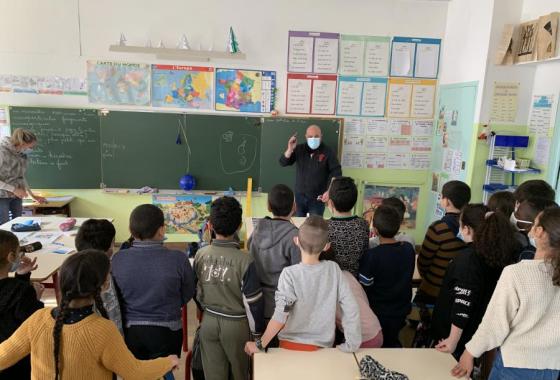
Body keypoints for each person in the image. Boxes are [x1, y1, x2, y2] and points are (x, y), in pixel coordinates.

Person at [0, 250, 178, 379]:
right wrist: (167, 362)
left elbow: (3, 356)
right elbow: (134, 372)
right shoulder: (102, 330)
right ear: (104, 285)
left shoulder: (37, 319)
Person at [452, 208, 560, 379]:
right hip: (553, 367)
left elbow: (495, 324)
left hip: (515, 364)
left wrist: (469, 352)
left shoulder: (516, 273)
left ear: (538, 231)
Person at [244, 216, 361, 354]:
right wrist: (352, 343)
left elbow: (281, 315)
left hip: (289, 346)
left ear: (296, 241)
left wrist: (259, 345)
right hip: (323, 349)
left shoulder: (289, 274)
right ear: (326, 246)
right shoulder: (334, 269)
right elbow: (351, 307)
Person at [431, 205, 521, 359]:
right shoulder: (497, 254)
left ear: (466, 229)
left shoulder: (468, 259)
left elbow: (463, 302)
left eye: (460, 225)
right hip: (476, 330)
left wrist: (452, 340)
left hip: (455, 337)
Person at [112, 204, 194, 361]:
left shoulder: (118, 259)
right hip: (168, 330)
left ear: (130, 230)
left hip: (131, 332)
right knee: (166, 371)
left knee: (136, 371)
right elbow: (188, 292)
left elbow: (115, 296)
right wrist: (173, 303)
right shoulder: (178, 259)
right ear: (162, 230)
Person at [194, 196, 264, 380]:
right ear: (239, 226)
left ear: (210, 226)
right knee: (240, 374)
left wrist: (204, 311)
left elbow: (197, 291)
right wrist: (257, 335)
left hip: (208, 321)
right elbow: (253, 304)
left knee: (214, 375)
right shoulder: (245, 260)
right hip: (237, 326)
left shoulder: (200, 254)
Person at [359, 205, 415, 348]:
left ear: (375, 230)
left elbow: (364, 285)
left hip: (378, 311)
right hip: (401, 310)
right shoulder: (408, 249)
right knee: (392, 340)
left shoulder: (372, 256)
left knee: (380, 344)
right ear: (399, 227)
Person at [248, 184, 300, 332]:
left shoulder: (256, 231)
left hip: (256, 302)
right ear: (294, 207)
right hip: (282, 309)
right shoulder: (295, 237)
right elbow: (298, 275)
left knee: (263, 350)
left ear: (268, 206)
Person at [416, 180, 471, 304]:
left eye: (441, 197)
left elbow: (423, 263)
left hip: (433, 290)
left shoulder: (437, 228)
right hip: (459, 291)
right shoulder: (472, 227)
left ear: (446, 201)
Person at [0, 230, 43, 379]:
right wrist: (36, 300)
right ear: (11, 257)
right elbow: (34, 326)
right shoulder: (22, 291)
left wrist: (22, 276)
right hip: (14, 363)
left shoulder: (18, 288)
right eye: (19, 252)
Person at [279, 125, 342, 216]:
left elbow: (337, 172)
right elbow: (283, 162)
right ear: (306, 137)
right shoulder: (299, 149)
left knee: (315, 227)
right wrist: (290, 149)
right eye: (310, 136)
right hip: (299, 197)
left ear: (321, 136)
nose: (313, 138)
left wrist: (329, 191)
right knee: (299, 225)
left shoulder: (328, 151)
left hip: (317, 198)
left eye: (316, 136)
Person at [75, 219, 123, 335]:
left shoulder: (72, 270)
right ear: (110, 247)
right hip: (108, 338)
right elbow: (114, 318)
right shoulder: (108, 276)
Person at [0, 129, 46, 224]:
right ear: (22, 143)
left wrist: (32, 195)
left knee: (19, 223)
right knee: (4, 225)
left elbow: (21, 176)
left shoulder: (22, 155)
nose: (32, 149)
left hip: (16, 195)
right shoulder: (2, 152)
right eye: (31, 146)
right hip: (2, 196)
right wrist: (14, 190)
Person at [326, 177, 369, 277]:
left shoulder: (324, 227)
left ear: (331, 203)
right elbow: (365, 254)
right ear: (354, 203)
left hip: (331, 280)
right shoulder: (363, 224)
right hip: (354, 282)